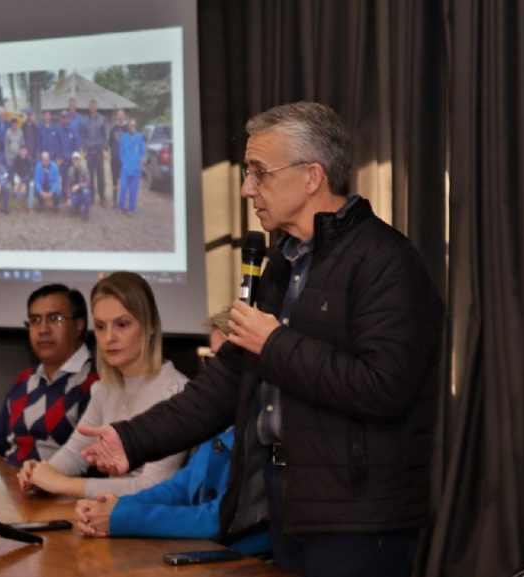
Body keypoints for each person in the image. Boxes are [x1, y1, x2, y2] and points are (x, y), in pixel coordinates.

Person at [79, 102, 444, 577]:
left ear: (312, 176)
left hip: (359, 517)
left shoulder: (386, 261)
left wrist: (274, 344)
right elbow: (223, 385)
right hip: (285, 504)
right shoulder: (283, 265)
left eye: (259, 173)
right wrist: (130, 439)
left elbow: (384, 387)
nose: (248, 188)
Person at [73, 309, 271, 556]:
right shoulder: (215, 420)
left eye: (224, 364)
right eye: (211, 362)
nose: (216, 375)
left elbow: (220, 518)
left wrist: (121, 517)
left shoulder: (268, 427)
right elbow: (181, 486)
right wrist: (113, 506)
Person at [17, 271, 188, 499]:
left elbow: (153, 487)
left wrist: (62, 484)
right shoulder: (105, 388)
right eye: (100, 326)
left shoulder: (176, 392)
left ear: (150, 326)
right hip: (109, 519)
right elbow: (75, 453)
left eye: (122, 324)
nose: (109, 338)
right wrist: (41, 474)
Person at [0, 284, 97, 466]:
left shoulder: (96, 382)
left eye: (54, 319)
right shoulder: (26, 379)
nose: (43, 330)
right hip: (14, 487)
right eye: (35, 320)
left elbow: (84, 463)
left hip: (57, 491)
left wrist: (3, 467)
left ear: (79, 325)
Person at [118, 117, 145, 216]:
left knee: (133, 190)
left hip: (135, 169)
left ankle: (131, 209)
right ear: (128, 126)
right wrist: (124, 162)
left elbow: (142, 151)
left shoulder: (139, 136)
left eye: (134, 125)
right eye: (130, 125)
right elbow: (121, 151)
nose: (132, 127)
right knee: (123, 188)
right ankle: (121, 207)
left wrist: (138, 162)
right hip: (125, 168)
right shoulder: (124, 137)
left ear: (135, 126)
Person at [83, 99, 106, 206]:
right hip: (89, 152)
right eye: (91, 106)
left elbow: (105, 136)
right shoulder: (85, 120)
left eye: (94, 106)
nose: (92, 108)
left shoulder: (102, 119)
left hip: (99, 151)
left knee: (101, 175)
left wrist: (103, 148)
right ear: (89, 108)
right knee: (90, 176)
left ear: (96, 107)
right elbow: (83, 136)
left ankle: (102, 197)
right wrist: (85, 148)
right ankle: (91, 196)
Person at [107, 109, 127, 208]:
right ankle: (114, 199)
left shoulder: (127, 128)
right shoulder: (113, 129)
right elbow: (110, 143)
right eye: (118, 115)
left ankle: (122, 200)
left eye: (122, 115)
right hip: (114, 159)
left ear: (124, 117)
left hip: (124, 160)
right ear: (116, 117)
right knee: (114, 180)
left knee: (123, 180)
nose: (120, 117)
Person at [66, 151, 90, 221]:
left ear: (80, 160)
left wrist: (78, 186)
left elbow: (88, 183)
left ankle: (86, 213)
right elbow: (67, 186)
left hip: (84, 192)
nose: (76, 161)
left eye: (77, 159)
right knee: (70, 207)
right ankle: (76, 206)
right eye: (74, 159)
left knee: (86, 192)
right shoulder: (70, 170)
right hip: (76, 194)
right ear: (72, 160)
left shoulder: (85, 169)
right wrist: (68, 198)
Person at [10, 143, 34, 211]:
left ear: (26, 151)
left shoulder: (29, 159)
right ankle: (18, 203)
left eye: (24, 151)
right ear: (19, 151)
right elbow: (13, 170)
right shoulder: (16, 159)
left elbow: (30, 173)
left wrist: (24, 183)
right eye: (21, 150)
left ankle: (29, 205)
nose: (23, 152)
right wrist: (16, 177)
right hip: (18, 177)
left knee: (27, 187)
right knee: (16, 187)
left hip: (27, 178)